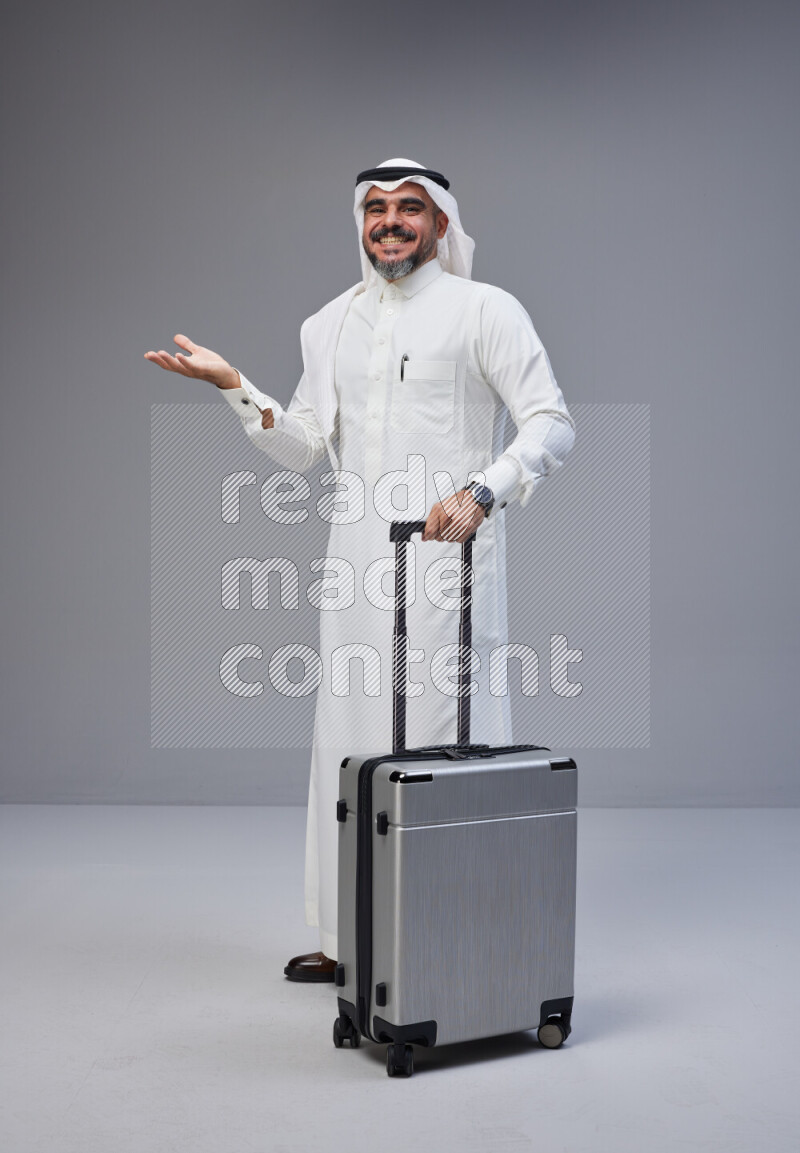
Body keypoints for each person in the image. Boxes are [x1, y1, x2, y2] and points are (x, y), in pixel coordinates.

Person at [145, 158, 575, 982]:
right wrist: (233, 385)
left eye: (410, 208)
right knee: (348, 742)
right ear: (360, 222)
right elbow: (302, 445)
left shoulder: (485, 310)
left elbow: (552, 423)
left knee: (447, 744)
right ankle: (352, 939)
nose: (390, 222)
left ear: (441, 224)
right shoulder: (328, 323)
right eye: (376, 208)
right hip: (354, 570)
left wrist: (488, 489)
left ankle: (451, 941)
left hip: (451, 562)